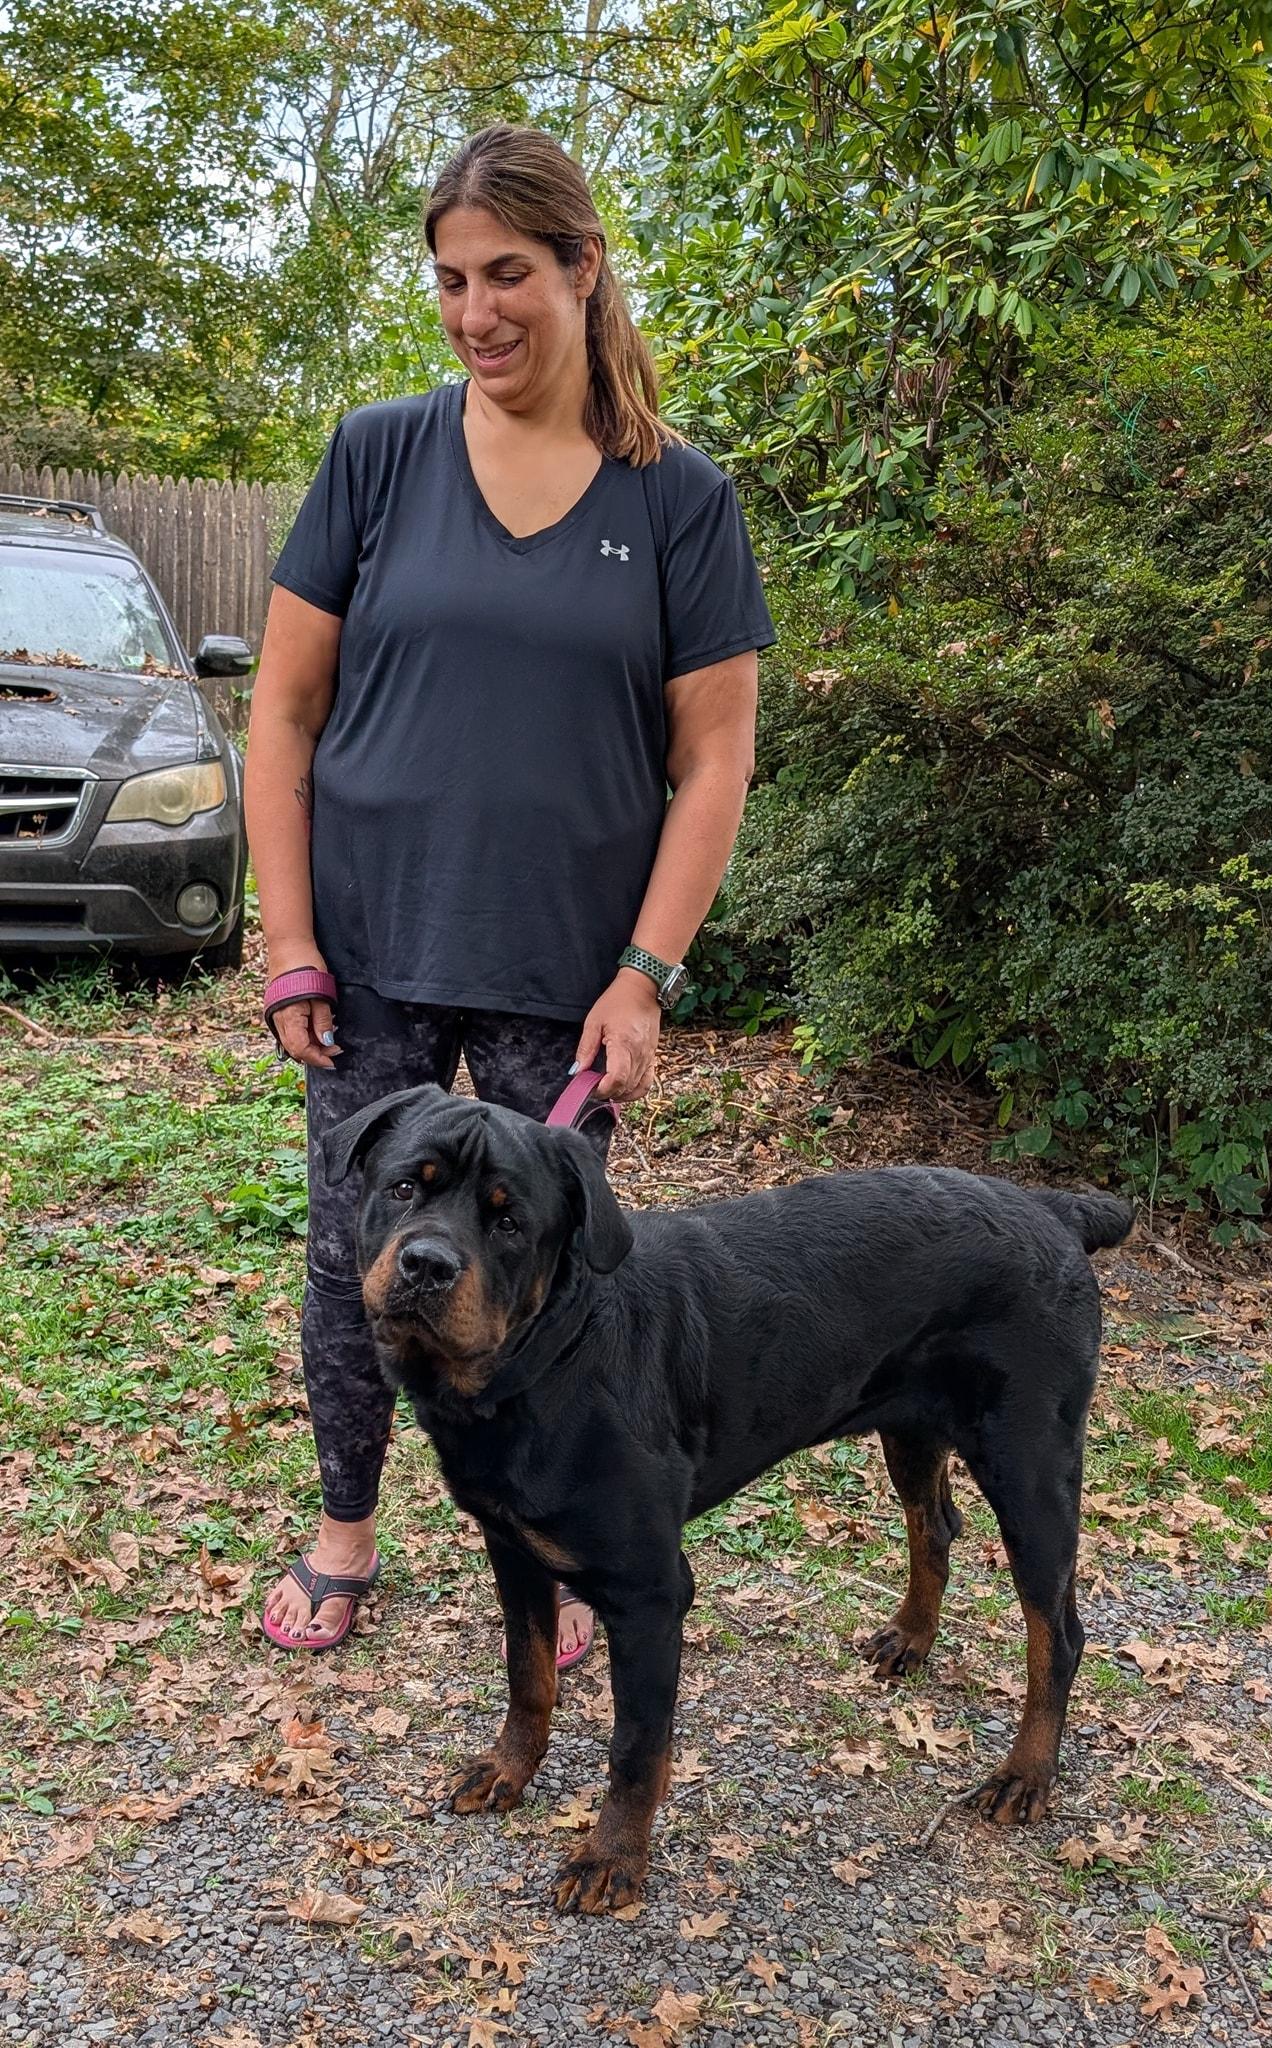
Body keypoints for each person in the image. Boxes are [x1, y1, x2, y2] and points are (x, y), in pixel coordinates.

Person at [247, 122, 776, 1657]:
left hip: (569, 969)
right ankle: (347, 1525)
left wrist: (648, 972)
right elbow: (281, 711)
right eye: (450, 278)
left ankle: (544, 1551)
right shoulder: (377, 454)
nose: (475, 310)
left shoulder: (677, 498)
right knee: (356, 1262)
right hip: (371, 956)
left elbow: (716, 763)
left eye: (508, 275)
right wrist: (289, 941)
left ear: (583, 269)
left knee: (554, 1283)